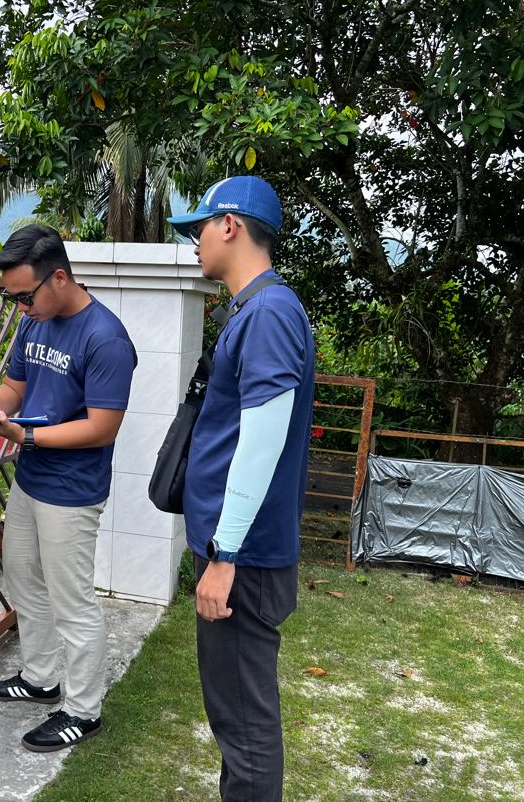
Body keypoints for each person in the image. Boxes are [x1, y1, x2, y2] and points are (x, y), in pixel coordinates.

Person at [167, 176, 315, 800]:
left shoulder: (270, 312)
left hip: (243, 560)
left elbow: (262, 443)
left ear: (229, 225)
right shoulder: (255, 310)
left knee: (245, 723)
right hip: (237, 552)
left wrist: (224, 556)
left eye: (199, 228)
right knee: (234, 714)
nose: (195, 243)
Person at [0, 225, 136, 752]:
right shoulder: (33, 323)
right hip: (31, 477)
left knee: (72, 600)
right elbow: (15, 387)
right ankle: (40, 679)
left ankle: (83, 711)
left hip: (73, 488)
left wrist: (27, 436)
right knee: (21, 576)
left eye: (24, 296)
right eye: (12, 298)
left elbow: (102, 427)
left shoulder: (105, 338)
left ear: (59, 277)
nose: (20, 307)